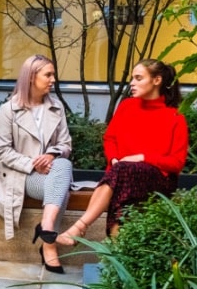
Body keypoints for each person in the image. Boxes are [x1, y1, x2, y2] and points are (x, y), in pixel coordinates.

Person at [58, 58, 188, 245]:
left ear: (157, 80)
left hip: (160, 180)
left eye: (138, 78)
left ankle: (80, 228)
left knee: (122, 173)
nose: (132, 84)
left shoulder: (175, 117)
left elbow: (176, 163)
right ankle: (116, 255)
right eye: (132, 79)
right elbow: (110, 138)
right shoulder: (127, 106)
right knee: (122, 178)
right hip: (123, 175)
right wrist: (115, 159)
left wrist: (142, 158)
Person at [0, 54, 74, 273]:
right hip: (20, 175)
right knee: (61, 188)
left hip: (51, 172)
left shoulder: (56, 108)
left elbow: (66, 143)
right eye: (48, 74)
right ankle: (49, 245)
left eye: (53, 74)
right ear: (31, 77)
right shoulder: (8, 110)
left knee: (63, 167)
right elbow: (2, 151)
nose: (53, 79)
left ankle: (46, 232)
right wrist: (33, 163)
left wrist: (52, 155)